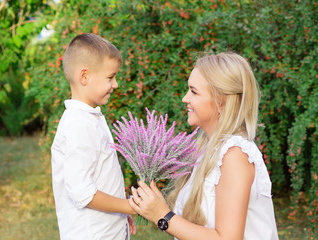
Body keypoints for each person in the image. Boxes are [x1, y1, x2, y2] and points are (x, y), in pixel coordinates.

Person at [129, 52, 279, 239]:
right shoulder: (205, 150)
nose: (185, 98)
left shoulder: (235, 155)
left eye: (194, 91)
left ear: (221, 102)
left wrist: (162, 216)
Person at [51, 33, 136, 240]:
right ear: (84, 77)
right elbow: (83, 192)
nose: (115, 84)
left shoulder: (90, 117)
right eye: (110, 77)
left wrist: (121, 211)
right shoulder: (78, 125)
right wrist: (130, 206)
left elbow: (100, 177)